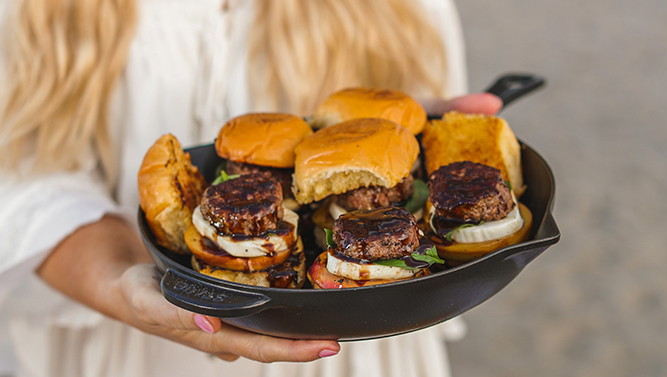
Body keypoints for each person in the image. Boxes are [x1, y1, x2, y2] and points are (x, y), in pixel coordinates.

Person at [0, 0, 502, 376]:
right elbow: (18, 182)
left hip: (356, 347)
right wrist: (114, 277)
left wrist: (395, 136)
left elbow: (417, 140)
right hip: (123, 345)